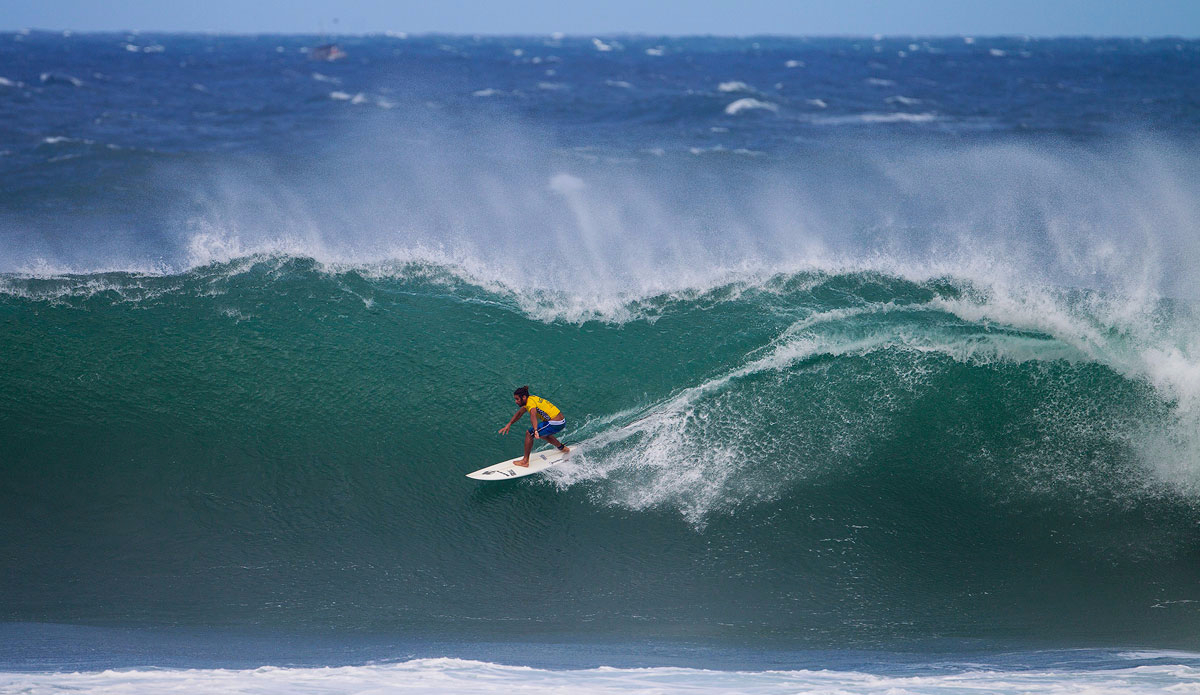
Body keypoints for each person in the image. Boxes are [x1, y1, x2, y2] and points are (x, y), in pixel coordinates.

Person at [498, 385, 569, 467]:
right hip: (560, 421)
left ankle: (525, 461)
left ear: (524, 397)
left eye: (517, 399)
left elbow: (533, 415)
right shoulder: (531, 399)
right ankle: (562, 448)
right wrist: (509, 423)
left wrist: (535, 430)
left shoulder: (531, 404)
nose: (516, 401)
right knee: (543, 434)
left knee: (529, 433)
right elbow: (520, 413)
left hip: (555, 423)